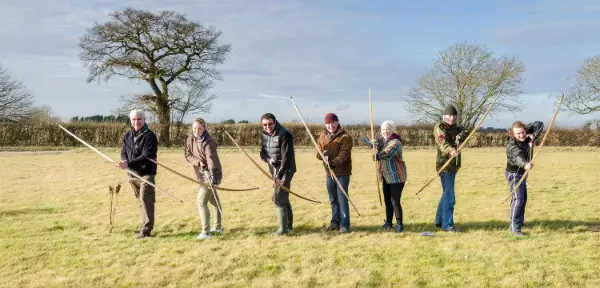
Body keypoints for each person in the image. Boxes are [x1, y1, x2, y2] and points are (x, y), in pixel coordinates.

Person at [117, 109, 158, 239]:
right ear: (131, 120)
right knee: (140, 200)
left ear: (144, 120)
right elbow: (124, 151)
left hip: (146, 173)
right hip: (132, 173)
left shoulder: (150, 136)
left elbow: (146, 156)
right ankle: (144, 225)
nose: (136, 122)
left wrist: (128, 164)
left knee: (146, 199)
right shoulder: (128, 135)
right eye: (134, 119)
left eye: (139, 119)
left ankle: (146, 230)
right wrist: (124, 160)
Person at [362, 120, 407, 233]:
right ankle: (388, 222)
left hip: (396, 176)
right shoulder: (381, 140)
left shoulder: (396, 142)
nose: (385, 132)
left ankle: (399, 224)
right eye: (383, 130)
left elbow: (388, 152)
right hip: (385, 176)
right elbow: (372, 141)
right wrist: (370, 143)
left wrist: (378, 155)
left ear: (392, 130)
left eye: (388, 129)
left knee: (394, 201)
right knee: (387, 200)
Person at [184, 117, 224, 240]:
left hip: (210, 175)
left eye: (200, 128)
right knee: (213, 201)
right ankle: (217, 227)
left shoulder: (209, 142)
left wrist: (214, 180)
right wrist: (198, 162)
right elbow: (187, 154)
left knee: (201, 202)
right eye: (195, 128)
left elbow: (212, 161)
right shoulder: (190, 138)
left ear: (204, 128)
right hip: (201, 175)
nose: (197, 131)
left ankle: (206, 232)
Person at [259, 113, 296, 236]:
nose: (267, 126)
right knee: (283, 197)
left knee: (278, 198)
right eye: (265, 124)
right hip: (274, 169)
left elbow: (286, 158)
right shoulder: (264, 135)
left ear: (275, 122)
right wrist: (269, 160)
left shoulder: (284, 135)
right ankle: (289, 226)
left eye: (270, 124)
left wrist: (279, 177)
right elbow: (262, 153)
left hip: (286, 169)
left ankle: (283, 230)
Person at [505, 120, 544, 237]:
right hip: (514, 174)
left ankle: (519, 222)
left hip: (522, 173)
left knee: (523, 199)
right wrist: (525, 164)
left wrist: (531, 135)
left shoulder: (526, 137)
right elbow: (518, 157)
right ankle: (514, 229)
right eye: (518, 134)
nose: (521, 135)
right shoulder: (512, 145)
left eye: (522, 132)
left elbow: (540, 124)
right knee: (518, 199)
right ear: (513, 135)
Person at [316, 113, 353, 233]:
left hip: (342, 172)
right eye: (328, 123)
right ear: (325, 124)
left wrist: (334, 162)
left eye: (333, 123)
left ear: (337, 122)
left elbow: (344, 153)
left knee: (342, 198)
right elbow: (318, 153)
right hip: (329, 173)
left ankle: (345, 225)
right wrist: (322, 155)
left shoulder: (345, 137)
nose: (330, 125)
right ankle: (335, 223)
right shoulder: (322, 136)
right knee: (333, 199)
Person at [433, 105, 468, 232]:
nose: (452, 118)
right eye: (449, 115)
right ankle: (447, 225)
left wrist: (460, 136)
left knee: (446, 194)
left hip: (454, 165)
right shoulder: (440, 127)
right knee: (450, 196)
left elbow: (465, 132)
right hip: (444, 165)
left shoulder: (457, 127)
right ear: (444, 116)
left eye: (454, 115)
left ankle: (438, 220)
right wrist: (451, 150)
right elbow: (442, 143)